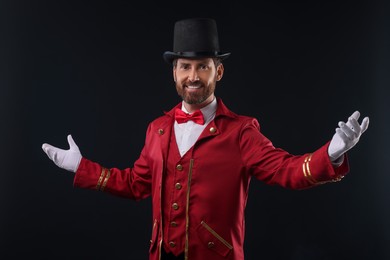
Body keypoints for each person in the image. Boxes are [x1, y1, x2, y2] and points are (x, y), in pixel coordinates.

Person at [41, 18, 369, 260]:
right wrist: (81, 167)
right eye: (185, 67)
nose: (193, 76)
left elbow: (288, 170)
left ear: (218, 72)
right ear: (174, 72)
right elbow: (134, 184)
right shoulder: (157, 128)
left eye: (203, 67)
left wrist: (332, 152)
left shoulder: (242, 131)